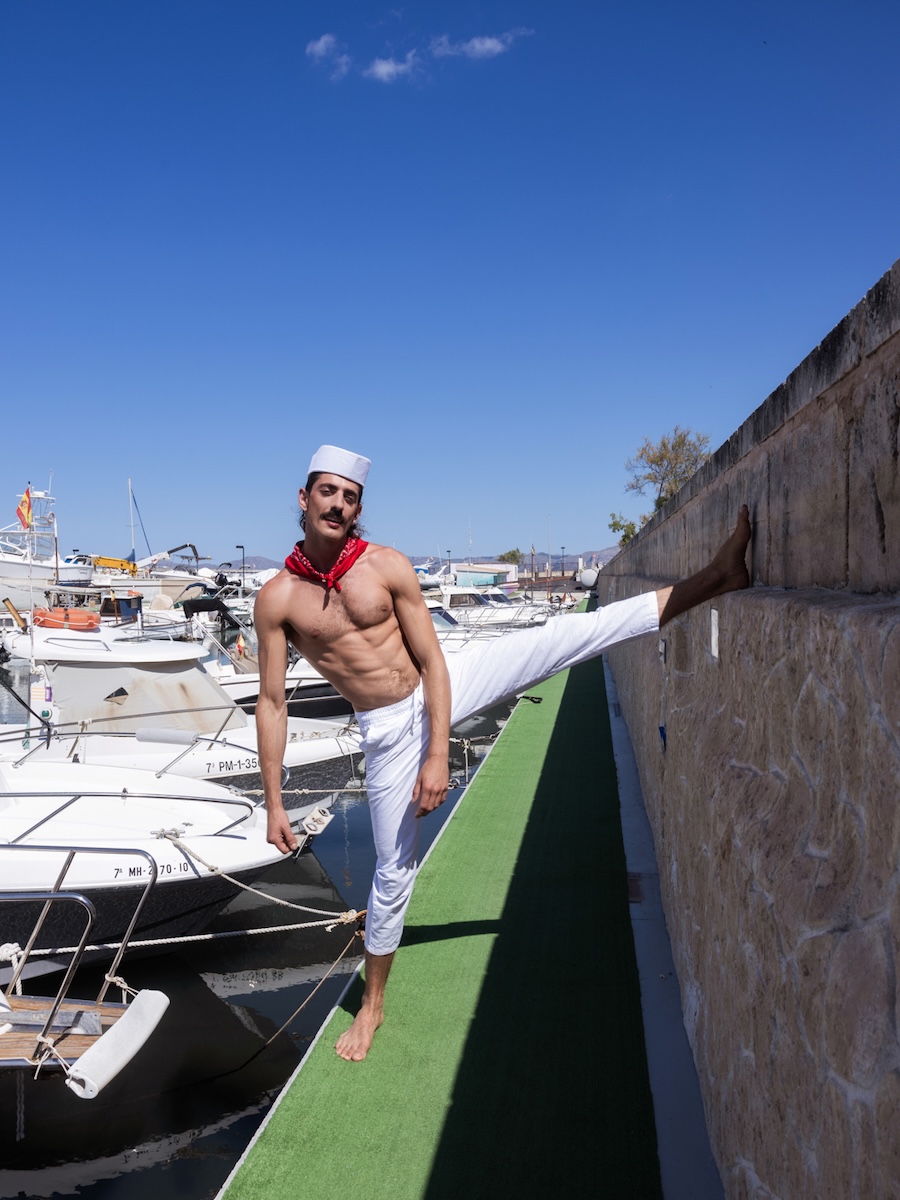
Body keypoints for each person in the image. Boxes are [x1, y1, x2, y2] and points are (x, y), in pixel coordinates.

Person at [254, 444, 752, 1061]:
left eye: (349, 496)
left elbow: (434, 661)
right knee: (392, 871)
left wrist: (439, 755)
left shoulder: (385, 566)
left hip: (437, 687)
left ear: (358, 508)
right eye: (327, 491)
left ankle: (718, 577)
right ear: (304, 499)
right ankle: (373, 1005)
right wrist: (274, 803)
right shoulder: (278, 599)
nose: (337, 504)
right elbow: (271, 703)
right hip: (382, 730)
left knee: (567, 635)